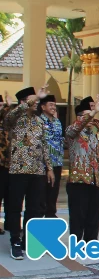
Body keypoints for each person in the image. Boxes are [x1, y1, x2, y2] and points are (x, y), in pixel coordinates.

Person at [4, 85, 55, 260]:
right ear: (23, 102)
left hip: (38, 171)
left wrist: (49, 168)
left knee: (35, 208)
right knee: (15, 207)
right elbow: (8, 118)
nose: (37, 103)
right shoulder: (15, 118)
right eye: (33, 100)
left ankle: (29, 241)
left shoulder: (40, 122)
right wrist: (36, 97)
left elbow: (44, 147)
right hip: (18, 170)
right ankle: (15, 241)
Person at [65, 95, 99, 243]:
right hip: (78, 180)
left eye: (92, 117)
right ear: (79, 117)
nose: (90, 120)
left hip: (94, 180)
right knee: (77, 215)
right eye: (87, 116)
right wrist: (92, 113)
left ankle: (91, 242)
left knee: (93, 214)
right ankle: (76, 243)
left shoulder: (93, 135)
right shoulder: (72, 132)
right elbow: (75, 128)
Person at [79, 96, 99, 220]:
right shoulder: (78, 126)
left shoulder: (98, 124)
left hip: (98, 161)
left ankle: (96, 210)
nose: (93, 109)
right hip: (84, 164)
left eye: (93, 107)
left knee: (98, 187)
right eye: (91, 107)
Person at [38, 95, 64, 218]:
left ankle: (51, 213)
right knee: (42, 190)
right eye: (51, 105)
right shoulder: (39, 121)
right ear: (43, 107)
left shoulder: (57, 122)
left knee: (54, 190)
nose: (53, 107)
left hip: (57, 161)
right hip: (43, 163)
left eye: (54, 105)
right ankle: (41, 214)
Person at [0, 94, 12, 235]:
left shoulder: (8, 123)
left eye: (2, 105)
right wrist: (7, 106)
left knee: (11, 195)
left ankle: (10, 223)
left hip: (9, 164)